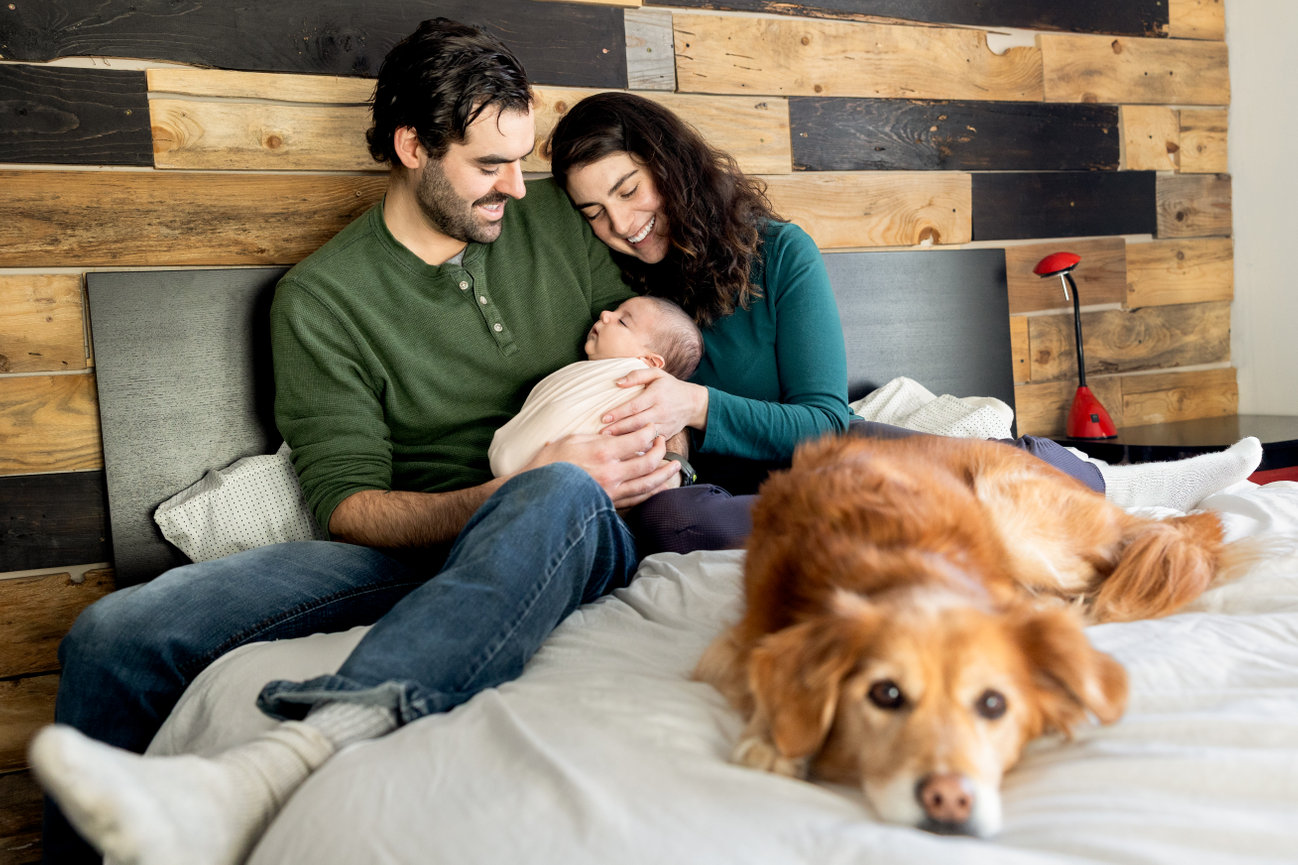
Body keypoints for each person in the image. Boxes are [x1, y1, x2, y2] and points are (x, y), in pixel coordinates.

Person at [28, 20, 683, 865]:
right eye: (490, 165)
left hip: (579, 528)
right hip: (412, 550)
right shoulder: (323, 300)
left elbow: (654, 347)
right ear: (413, 147)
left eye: (522, 160)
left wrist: (655, 433)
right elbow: (348, 506)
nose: (518, 188)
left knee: (557, 490)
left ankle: (285, 759)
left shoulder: (558, 221)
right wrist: (503, 493)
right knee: (112, 636)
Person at [545, 92, 1264, 552]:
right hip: (735, 494)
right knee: (671, 524)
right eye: (595, 212)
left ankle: (1124, 486)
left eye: (629, 190)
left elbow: (824, 422)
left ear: (669, 166)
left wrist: (695, 404)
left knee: (971, 467)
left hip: (825, 453)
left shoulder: (780, 253)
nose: (622, 225)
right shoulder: (620, 289)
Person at [489, 294, 704, 478]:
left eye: (622, 322)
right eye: (615, 311)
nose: (605, 314)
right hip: (522, 465)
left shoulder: (639, 382)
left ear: (650, 362)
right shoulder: (586, 373)